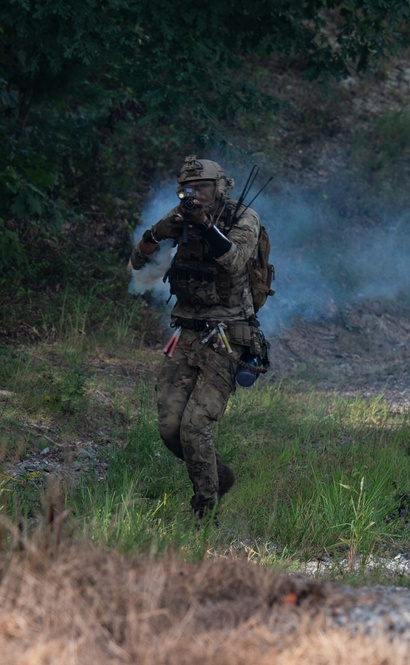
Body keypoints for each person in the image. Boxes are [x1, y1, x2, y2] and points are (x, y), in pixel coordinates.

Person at [130, 155, 269, 520]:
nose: (194, 196)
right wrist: (157, 233)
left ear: (219, 188)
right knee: (169, 427)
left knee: (195, 426)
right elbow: (138, 263)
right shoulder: (180, 219)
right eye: (187, 190)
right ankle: (219, 477)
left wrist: (206, 226)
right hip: (188, 333)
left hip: (228, 336)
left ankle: (205, 510)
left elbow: (235, 260)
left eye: (202, 188)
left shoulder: (243, 218)